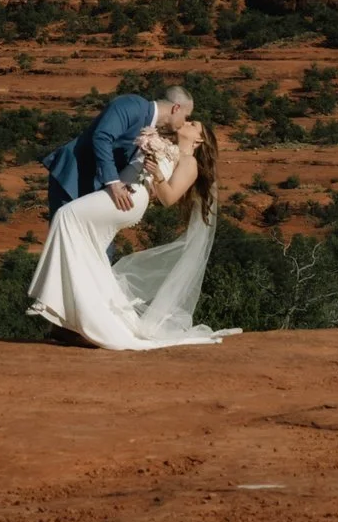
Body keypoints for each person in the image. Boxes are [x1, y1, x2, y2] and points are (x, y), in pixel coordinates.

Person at [28, 114, 237, 350]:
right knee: (88, 248)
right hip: (124, 193)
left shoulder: (189, 162)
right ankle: (78, 320)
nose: (187, 123)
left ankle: (54, 301)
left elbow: (169, 198)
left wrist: (157, 174)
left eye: (193, 125)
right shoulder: (164, 142)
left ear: (199, 140)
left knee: (67, 215)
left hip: (133, 199)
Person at [41, 86, 190, 222]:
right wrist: (113, 183)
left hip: (97, 189)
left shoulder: (151, 127)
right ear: (176, 108)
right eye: (186, 116)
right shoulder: (132, 104)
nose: (185, 122)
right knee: (68, 238)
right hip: (73, 178)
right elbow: (102, 137)